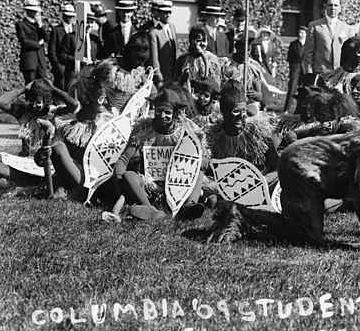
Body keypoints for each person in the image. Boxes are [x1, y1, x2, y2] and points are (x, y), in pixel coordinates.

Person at [112, 85, 206, 221]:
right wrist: (119, 178)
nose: (163, 116)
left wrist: (199, 162)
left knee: (199, 171)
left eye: (167, 112)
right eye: (159, 111)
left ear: (175, 113)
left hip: (178, 185)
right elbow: (124, 159)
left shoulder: (186, 132)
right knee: (129, 175)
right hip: (149, 185)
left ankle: (189, 206)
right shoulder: (143, 130)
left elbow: (202, 158)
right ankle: (149, 208)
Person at [33, 62, 115, 202]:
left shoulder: (110, 124)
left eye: (106, 98)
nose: (105, 103)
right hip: (78, 179)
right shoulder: (66, 126)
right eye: (101, 98)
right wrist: (42, 154)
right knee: (57, 147)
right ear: (88, 99)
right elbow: (44, 159)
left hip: (103, 179)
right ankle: (76, 193)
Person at [202, 80, 280, 207]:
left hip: (261, 183)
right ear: (224, 111)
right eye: (236, 111)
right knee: (212, 200)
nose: (242, 116)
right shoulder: (214, 134)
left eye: (243, 111)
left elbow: (278, 169)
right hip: (228, 185)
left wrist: (260, 182)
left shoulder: (259, 133)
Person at [0, 78, 78, 185]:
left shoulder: (54, 113)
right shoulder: (23, 112)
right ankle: (27, 180)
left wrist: (52, 88)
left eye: (38, 102)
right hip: (25, 163)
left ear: (47, 101)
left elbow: (74, 105)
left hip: (46, 165)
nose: (33, 106)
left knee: (58, 176)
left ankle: (27, 181)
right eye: (30, 101)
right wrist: (23, 89)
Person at [103, 31, 153, 113]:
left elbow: (152, 90)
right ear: (130, 52)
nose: (140, 63)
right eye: (138, 59)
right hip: (108, 118)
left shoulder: (139, 72)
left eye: (144, 60)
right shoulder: (109, 67)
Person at [302, 0, 352, 76]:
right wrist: (309, 73)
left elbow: (350, 54)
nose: (333, 8)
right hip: (320, 73)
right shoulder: (315, 26)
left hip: (340, 73)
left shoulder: (347, 28)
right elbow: (308, 53)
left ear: (340, 8)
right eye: (330, 5)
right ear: (325, 7)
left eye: (336, 5)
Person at [221, 28, 265, 113]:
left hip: (248, 104)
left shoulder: (253, 68)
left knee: (251, 111)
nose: (246, 53)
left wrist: (254, 94)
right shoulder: (227, 65)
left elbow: (260, 97)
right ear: (236, 48)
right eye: (242, 50)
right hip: (230, 102)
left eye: (248, 50)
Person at [58, 10, 102, 91]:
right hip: (75, 74)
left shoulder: (95, 39)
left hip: (91, 74)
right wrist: (77, 59)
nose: (89, 25)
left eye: (91, 22)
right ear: (81, 23)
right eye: (87, 22)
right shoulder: (70, 37)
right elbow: (62, 56)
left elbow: (100, 56)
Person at [15, 0, 49, 84]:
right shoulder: (21, 25)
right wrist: (39, 44)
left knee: (44, 84)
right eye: (32, 11)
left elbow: (47, 38)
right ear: (27, 11)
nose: (35, 13)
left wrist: (41, 25)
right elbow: (24, 41)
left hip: (40, 61)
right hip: (29, 61)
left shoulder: (38, 25)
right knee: (30, 86)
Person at [148, 0, 178, 89]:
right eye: (165, 12)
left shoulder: (172, 28)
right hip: (162, 77)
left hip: (174, 76)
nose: (167, 15)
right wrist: (159, 79)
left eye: (169, 12)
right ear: (159, 14)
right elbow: (154, 60)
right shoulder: (154, 32)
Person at [47, 4, 76, 88]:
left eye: (72, 16)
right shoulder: (56, 30)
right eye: (68, 16)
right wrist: (57, 65)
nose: (71, 18)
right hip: (61, 67)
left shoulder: (75, 30)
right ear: (63, 16)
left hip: (72, 67)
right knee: (60, 88)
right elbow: (51, 51)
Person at [283, 25, 307, 114]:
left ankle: (301, 110)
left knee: (304, 91)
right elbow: (289, 58)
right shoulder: (293, 44)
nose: (300, 34)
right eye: (299, 33)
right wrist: (293, 68)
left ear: (306, 34)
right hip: (295, 70)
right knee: (292, 90)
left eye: (302, 33)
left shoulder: (308, 45)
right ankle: (286, 109)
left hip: (304, 71)